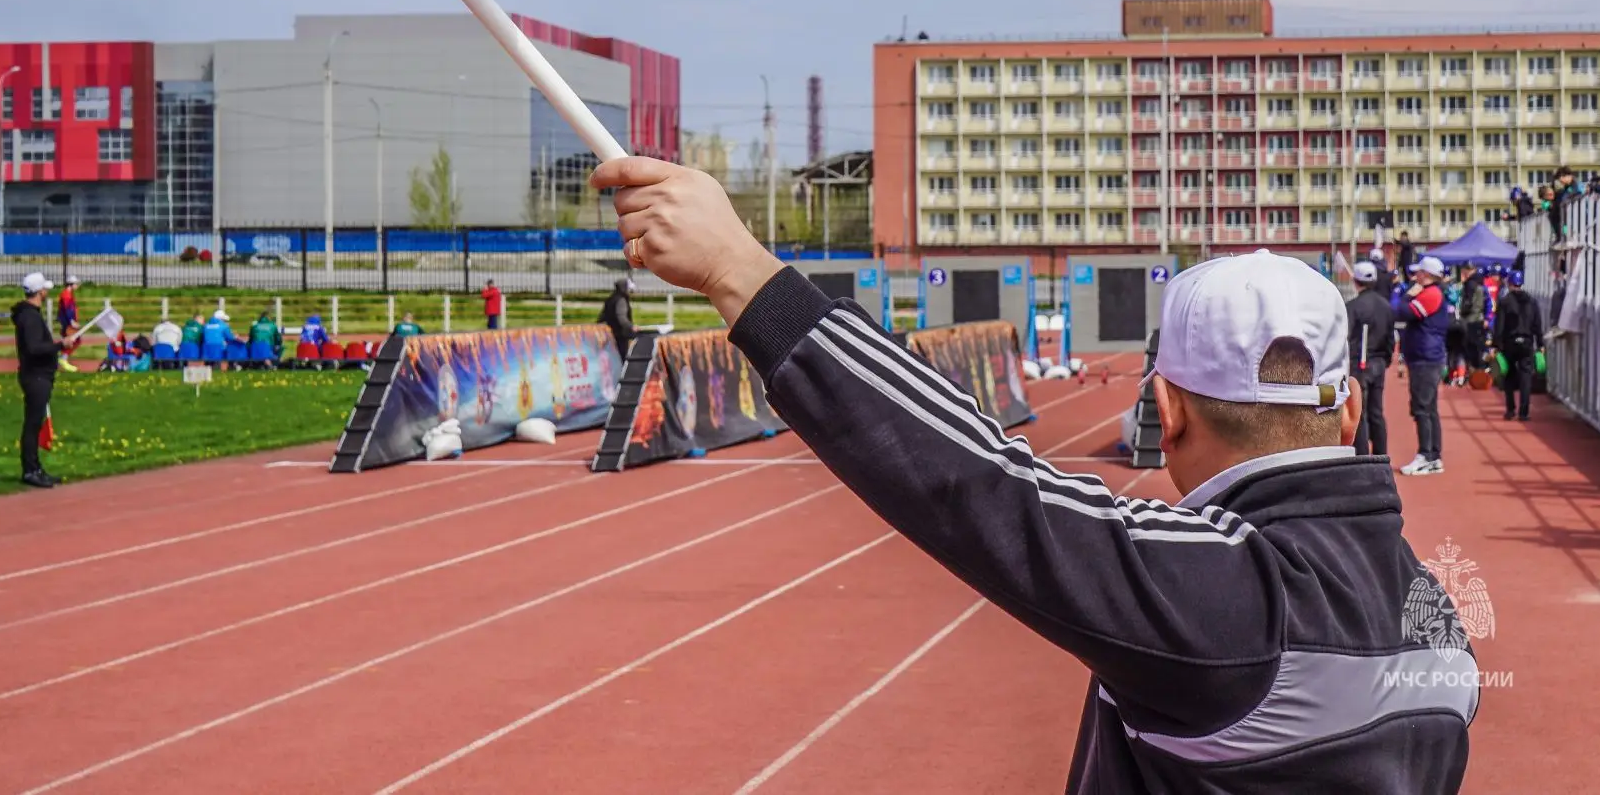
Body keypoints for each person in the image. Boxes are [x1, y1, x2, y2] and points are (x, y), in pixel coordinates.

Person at [592, 156, 1474, 794]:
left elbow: (981, 481)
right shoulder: (1438, 624)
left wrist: (739, 272)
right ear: (1348, 415)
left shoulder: (1232, 596)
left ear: (1165, 412)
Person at [13, 272, 75, 488]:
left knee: (36, 422)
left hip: (39, 375)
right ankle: (30, 470)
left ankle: (35, 468)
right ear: (40, 292)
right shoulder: (30, 317)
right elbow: (34, 348)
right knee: (32, 424)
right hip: (36, 376)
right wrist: (59, 345)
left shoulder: (29, 315)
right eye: (45, 289)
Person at [1393, 255, 1450, 476]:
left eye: (1418, 272)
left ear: (1426, 275)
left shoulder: (1431, 294)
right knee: (1428, 408)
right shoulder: (1433, 292)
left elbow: (1401, 311)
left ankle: (1426, 454)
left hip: (1425, 358)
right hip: (1426, 356)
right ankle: (1433, 455)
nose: (1415, 276)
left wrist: (1407, 294)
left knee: (1422, 408)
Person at [1346, 261, 1395, 456]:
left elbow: (1346, 336)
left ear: (1355, 281)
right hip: (1378, 362)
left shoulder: (1353, 306)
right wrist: (1386, 359)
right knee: (1376, 411)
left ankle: (1362, 455)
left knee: (1359, 412)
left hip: (1360, 362)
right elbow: (1391, 338)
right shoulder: (1386, 306)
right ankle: (1381, 454)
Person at [1493, 270, 1544, 422]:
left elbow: (1499, 325)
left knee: (1509, 375)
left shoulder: (1504, 302)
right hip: (1527, 342)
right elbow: (1537, 324)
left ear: (1509, 283)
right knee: (1526, 377)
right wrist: (1540, 343)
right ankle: (1524, 411)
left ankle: (1510, 409)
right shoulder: (1532, 301)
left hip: (1510, 342)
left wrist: (1496, 345)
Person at [1457, 264, 1487, 371]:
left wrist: (1461, 311)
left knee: (1470, 350)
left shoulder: (1470, 284)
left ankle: (1474, 372)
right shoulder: (1481, 282)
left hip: (1470, 320)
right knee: (1478, 349)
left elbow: (1467, 303)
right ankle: (1480, 371)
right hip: (1479, 318)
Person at [599, 277, 635, 361]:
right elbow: (621, 317)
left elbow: (603, 315)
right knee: (622, 356)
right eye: (629, 289)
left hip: (609, 332)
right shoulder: (621, 300)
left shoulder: (611, 298)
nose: (630, 292)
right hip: (620, 333)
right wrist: (631, 326)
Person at [55, 275, 81, 373]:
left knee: (72, 340)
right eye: (76, 284)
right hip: (67, 323)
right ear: (71, 284)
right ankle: (63, 359)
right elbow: (67, 309)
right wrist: (72, 321)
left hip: (67, 322)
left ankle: (61, 359)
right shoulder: (66, 295)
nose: (77, 285)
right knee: (74, 340)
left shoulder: (69, 294)